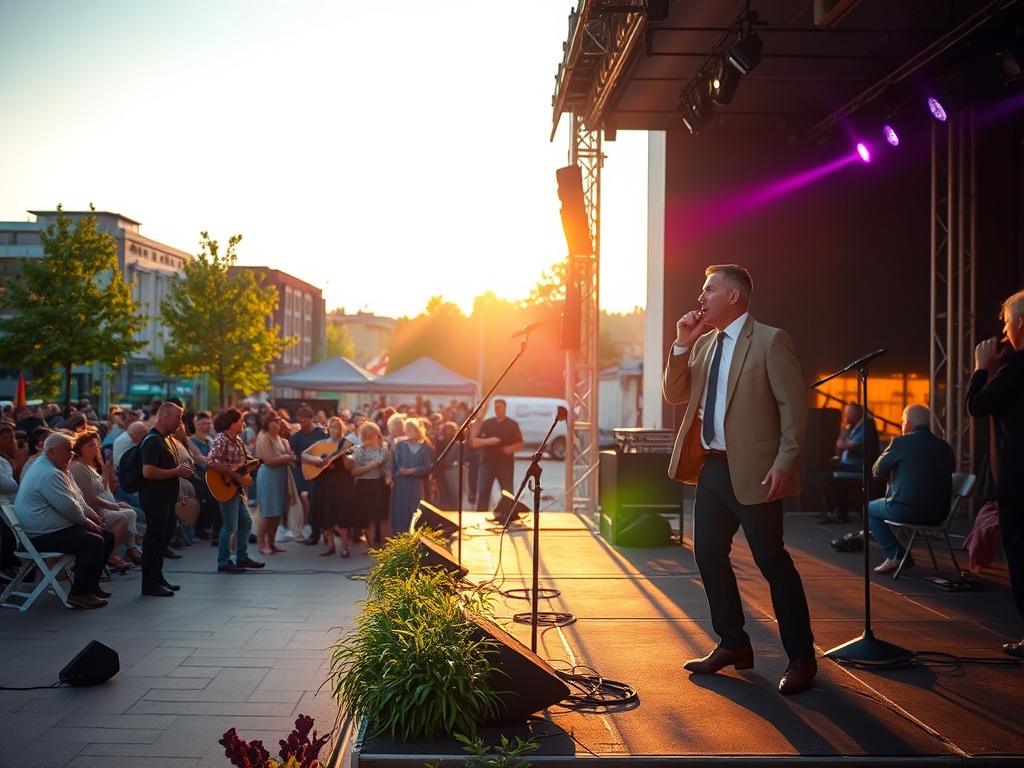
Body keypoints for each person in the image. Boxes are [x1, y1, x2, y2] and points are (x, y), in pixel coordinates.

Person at [663, 264, 815, 695]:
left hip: (757, 472)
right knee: (708, 553)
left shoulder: (770, 340)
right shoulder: (703, 344)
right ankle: (733, 643)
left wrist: (785, 462)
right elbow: (675, 395)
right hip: (712, 469)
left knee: (772, 561)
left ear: (734, 296)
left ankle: (802, 657)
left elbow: (793, 407)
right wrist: (680, 344)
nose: (700, 297)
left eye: (708, 289)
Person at [966, 288, 1024, 659]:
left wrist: (981, 369)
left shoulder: (1018, 366)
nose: (1003, 333)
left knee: (1020, 560)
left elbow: (978, 406)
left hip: (1018, 484)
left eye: (1005, 323)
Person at [13, 432, 115, 608]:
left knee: (107, 537)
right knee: (94, 542)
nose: (72, 455)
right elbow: (69, 506)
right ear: (52, 452)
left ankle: (90, 587)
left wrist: (91, 514)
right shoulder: (48, 473)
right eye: (68, 450)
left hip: (50, 530)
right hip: (40, 536)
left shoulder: (58, 468)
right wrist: (86, 521)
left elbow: (78, 498)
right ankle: (79, 594)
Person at [867, 404, 955, 573]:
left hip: (906, 511)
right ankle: (897, 555)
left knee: (869, 509)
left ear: (907, 423)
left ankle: (896, 554)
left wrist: (891, 449)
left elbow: (876, 471)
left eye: (902, 422)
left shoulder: (901, 442)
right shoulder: (946, 447)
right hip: (938, 515)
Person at [138, 402, 196, 596]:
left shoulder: (166, 439)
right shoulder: (153, 440)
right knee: (154, 540)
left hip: (166, 497)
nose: (180, 422)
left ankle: (158, 577)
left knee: (162, 540)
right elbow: (148, 471)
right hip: (155, 498)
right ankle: (150, 583)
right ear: (164, 416)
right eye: (178, 417)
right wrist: (176, 471)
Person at [208, 408, 266, 573]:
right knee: (229, 526)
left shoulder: (237, 440)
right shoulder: (222, 439)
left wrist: (256, 462)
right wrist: (234, 475)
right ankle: (224, 561)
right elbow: (213, 461)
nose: (244, 424)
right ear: (231, 423)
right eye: (241, 421)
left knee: (246, 522)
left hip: (236, 489)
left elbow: (246, 462)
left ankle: (242, 557)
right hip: (226, 486)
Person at [818, 402, 881, 523]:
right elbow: (843, 444)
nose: (845, 415)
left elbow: (866, 447)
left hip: (860, 469)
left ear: (857, 413)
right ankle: (836, 511)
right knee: (827, 474)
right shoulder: (852, 428)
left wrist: (850, 446)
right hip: (847, 466)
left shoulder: (868, 426)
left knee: (828, 477)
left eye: (848, 413)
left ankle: (838, 512)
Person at [303, 416, 356, 557]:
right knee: (326, 515)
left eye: (336, 426)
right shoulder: (322, 443)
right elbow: (303, 455)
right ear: (328, 428)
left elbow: (351, 466)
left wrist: (345, 458)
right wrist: (318, 460)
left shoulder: (347, 444)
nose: (334, 429)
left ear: (341, 428)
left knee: (343, 515)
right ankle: (330, 546)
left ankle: (344, 547)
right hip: (324, 483)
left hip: (342, 484)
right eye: (331, 426)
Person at [254, 413, 296, 555]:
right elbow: (269, 460)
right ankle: (261, 543)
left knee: (277, 511)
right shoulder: (265, 438)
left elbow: (292, 458)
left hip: (281, 476)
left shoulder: (283, 440)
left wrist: (288, 457)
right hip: (269, 476)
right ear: (267, 423)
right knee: (267, 511)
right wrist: (285, 457)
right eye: (275, 422)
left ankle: (271, 542)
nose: (278, 424)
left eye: (279, 422)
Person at [345, 421, 392, 549]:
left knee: (382, 516)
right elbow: (354, 472)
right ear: (362, 437)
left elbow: (386, 469)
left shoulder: (383, 451)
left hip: (379, 486)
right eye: (366, 437)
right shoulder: (358, 451)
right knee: (368, 518)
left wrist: (389, 476)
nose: (369, 440)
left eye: (372, 436)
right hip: (363, 486)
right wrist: (371, 466)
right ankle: (371, 547)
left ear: (378, 435)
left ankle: (385, 545)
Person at [472, 399, 523, 512]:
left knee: (507, 492)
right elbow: (475, 442)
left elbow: (520, 443)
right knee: (483, 491)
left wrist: (511, 448)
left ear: (505, 408)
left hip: (505, 464)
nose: (497, 410)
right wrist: (488, 441)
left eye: (499, 407)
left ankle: (508, 515)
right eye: (495, 408)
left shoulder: (512, 425)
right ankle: (480, 514)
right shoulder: (487, 424)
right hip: (487, 462)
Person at [288, 406, 327, 545]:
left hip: (321, 473)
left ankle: (325, 531)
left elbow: (327, 452)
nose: (302, 425)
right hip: (303, 474)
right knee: (311, 502)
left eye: (305, 421)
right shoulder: (296, 437)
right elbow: (293, 458)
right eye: (300, 422)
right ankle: (314, 532)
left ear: (312, 419)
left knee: (322, 503)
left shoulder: (321, 434)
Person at [390, 418, 433, 534]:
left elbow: (427, 467)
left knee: (414, 509)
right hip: (401, 483)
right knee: (400, 510)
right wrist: (396, 474)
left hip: (416, 484)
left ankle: (413, 538)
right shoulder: (400, 446)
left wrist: (413, 470)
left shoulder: (423, 447)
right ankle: (399, 539)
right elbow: (393, 465)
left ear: (418, 430)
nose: (409, 431)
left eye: (412, 428)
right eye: (407, 428)